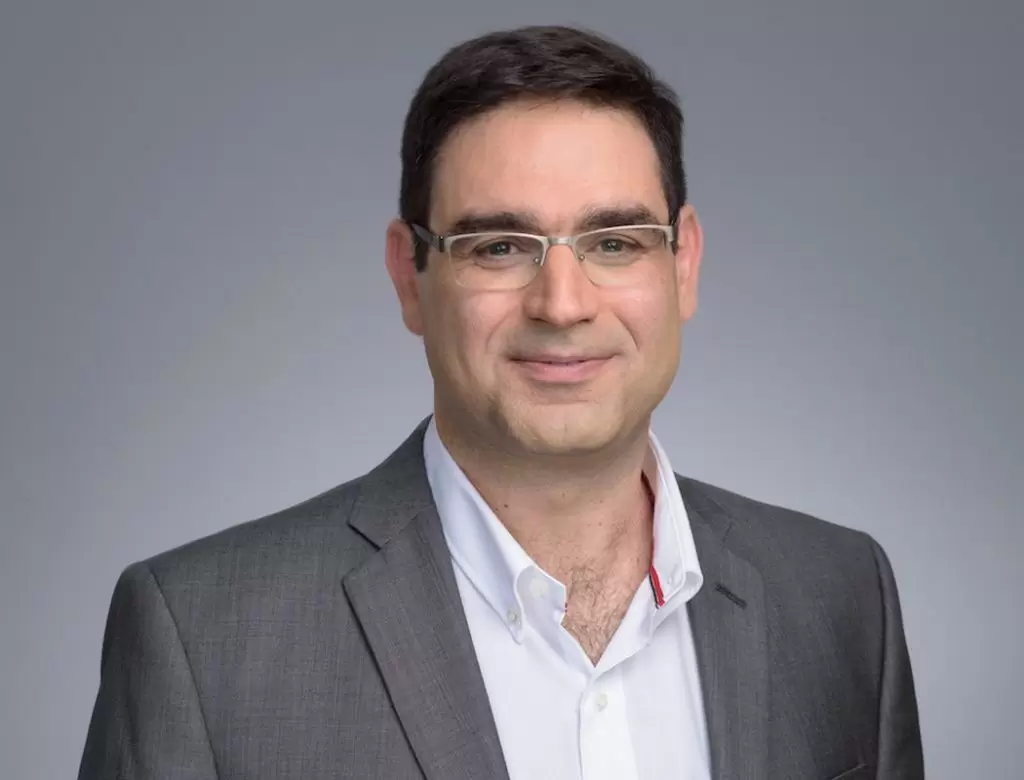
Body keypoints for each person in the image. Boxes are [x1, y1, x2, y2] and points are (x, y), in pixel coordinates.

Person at [78, 24, 924, 780]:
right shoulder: (203, 638)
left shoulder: (842, 597)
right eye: (499, 247)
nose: (563, 303)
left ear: (684, 264)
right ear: (410, 276)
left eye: (615, 241)